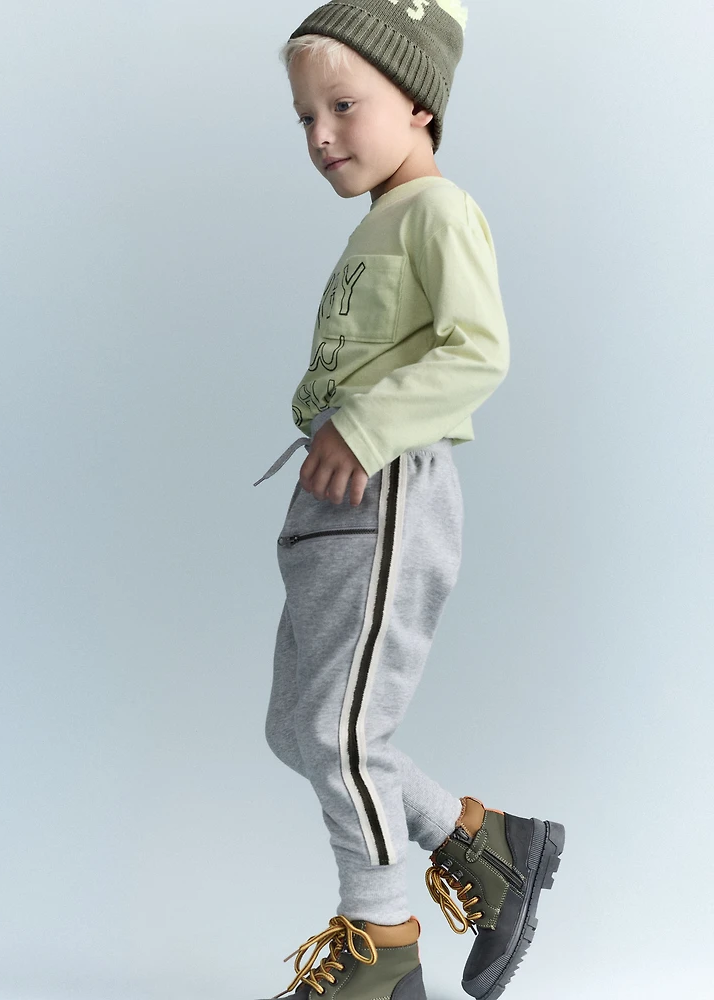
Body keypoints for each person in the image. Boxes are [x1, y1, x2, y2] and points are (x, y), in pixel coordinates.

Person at [252, 3, 564, 998]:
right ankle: (484, 845)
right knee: (302, 726)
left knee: (340, 732)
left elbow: (478, 351)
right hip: (333, 506)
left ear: (419, 104)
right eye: (305, 117)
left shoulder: (437, 211)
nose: (320, 135)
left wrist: (364, 428)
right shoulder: (380, 221)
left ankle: (382, 943)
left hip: (386, 495)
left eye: (342, 106)